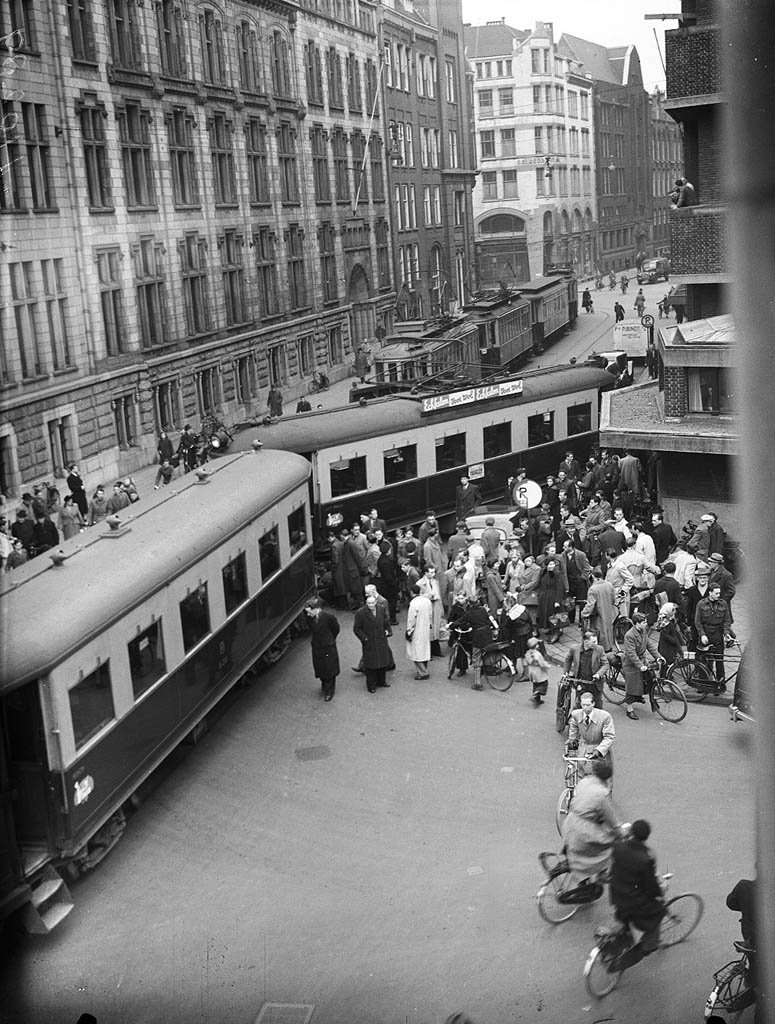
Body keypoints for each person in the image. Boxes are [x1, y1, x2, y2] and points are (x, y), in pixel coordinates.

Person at [609, 820, 666, 969]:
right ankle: (649, 945)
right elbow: (651, 887)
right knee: (659, 910)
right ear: (646, 837)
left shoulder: (618, 848)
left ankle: (624, 935)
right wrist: (659, 893)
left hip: (616, 895)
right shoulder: (644, 859)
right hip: (633, 901)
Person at [563, 759, 621, 883]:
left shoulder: (584, 782)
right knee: (609, 844)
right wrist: (619, 831)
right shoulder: (602, 793)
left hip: (570, 823)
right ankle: (602, 872)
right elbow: (612, 821)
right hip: (584, 832)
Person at [621, 611, 662, 719]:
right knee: (632, 685)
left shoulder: (643, 631)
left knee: (650, 678)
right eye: (643, 622)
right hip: (631, 664)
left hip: (641, 660)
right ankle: (629, 709)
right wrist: (640, 666)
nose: (645, 624)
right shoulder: (629, 635)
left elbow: (649, 645)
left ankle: (640, 696)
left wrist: (658, 657)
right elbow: (631, 654)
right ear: (636, 623)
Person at [353, 593, 393, 692]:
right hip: (370, 641)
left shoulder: (381, 609)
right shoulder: (360, 613)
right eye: (368, 603)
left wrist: (388, 630)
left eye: (372, 603)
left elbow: (386, 621)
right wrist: (365, 638)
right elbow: (357, 629)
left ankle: (381, 681)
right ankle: (371, 685)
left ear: (376, 602)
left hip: (381, 640)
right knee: (371, 665)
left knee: (382, 663)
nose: (370, 605)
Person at [695, 583, 734, 684]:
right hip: (706, 633)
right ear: (710, 593)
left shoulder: (723, 604)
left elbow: (727, 620)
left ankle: (720, 683)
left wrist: (726, 633)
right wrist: (702, 634)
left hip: (717, 634)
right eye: (716, 593)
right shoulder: (701, 604)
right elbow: (697, 622)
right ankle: (703, 684)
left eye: (719, 593)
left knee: (719, 660)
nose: (718, 595)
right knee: (704, 660)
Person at [454, 596, 496, 691]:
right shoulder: (483, 609)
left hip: (478, 637)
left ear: (469, 603)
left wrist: (451, 626)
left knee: (476, 657)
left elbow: (460, 621)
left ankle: (477, 683)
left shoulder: (469, 613)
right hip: (487, 634)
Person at [304, 598, 340, 701]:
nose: (308, 614)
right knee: (320, 667)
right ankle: (324, 684)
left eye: (309, 611)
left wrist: (330, 640)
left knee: (329, 669)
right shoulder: (311, 618)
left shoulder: (328, 617)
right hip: (317, 646)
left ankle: (329, 691)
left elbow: (336, 629)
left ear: (316, 609)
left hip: (327, 646)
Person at [563, 631, 609, 709]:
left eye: (596, 641)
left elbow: (606, 664)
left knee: (597, 707)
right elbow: (568, 660)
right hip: (581, 683)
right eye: (594, 642)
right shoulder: (574, 649)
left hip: (595, 684)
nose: (596, 643)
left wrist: (598, 674)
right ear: (586, 642)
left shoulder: (599, 649)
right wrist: (565, 673)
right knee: (580, 705)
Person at [581, 568, 617, 651]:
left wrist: (583, 614)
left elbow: (590, 606)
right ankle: (609, 650)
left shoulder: (593, 589)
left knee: (599, 635)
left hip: (598, 617)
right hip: (608, 614)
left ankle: (600, 654)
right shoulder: (609, 585)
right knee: (608, 632)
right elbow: (613, 600)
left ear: (593, 576)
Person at [498, 593, 531, 680]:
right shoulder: (523, 609)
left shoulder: (511, 616)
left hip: (519, 636)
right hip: (527, 633)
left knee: (522, 655)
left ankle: (526, 675)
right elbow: (530, 620)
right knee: (524, 654)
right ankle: (525, 672)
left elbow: (507, 627)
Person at [405, 583, 432, 679]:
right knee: (424, 649)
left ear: (412, 593)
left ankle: (423, 672)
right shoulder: (427, 601)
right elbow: (430, 615)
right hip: (425, 629)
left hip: (417, 630)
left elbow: (411, 619)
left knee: (416, 652)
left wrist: (409, 630)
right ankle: (424, 668)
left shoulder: (413, 603)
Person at [418, 564, 444, 657]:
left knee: (436, 629)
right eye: (431, 572)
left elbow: (439, 595)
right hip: (427, 609)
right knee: (427, 630)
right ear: (426, 573)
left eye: (434, 572)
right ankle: (428, 652)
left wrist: (441, 609)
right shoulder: (420, 583)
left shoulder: (435, 582)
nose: (433, 574)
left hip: (436, 607)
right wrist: (428, 597)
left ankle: (436, 650)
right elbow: (419, 597)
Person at [536, 557, 565, 640]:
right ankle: (550, 629)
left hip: (553, 597)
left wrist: (557, 601)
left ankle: (555, 634)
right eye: (550, 564)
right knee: (547, 615)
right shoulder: (543, 573)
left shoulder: (557, 574)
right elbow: (539, 584)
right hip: (544, 598)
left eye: (553, 564)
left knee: (554, 616)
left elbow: (560, 588)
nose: (551, 566)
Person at [654, 602, 685, 667]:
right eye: (673, 610)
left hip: (666, 646)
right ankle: (664, 676)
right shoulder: (666, 621)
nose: (674, 613)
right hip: (667, 647)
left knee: (667, 662)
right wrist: (673, 640)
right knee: (666, 661)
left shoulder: (667, 618)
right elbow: (666, 635)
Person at [523, 636, 550, 703]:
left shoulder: (527, 653)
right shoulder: (537, 654)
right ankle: (537, 693)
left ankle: (537, 699)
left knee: (535, 684)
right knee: (543, 684)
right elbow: (542, 664)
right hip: (538, 671)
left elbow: (526, 662)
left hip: (531, 670)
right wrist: (547, 666)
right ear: (536, 645)